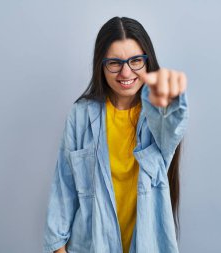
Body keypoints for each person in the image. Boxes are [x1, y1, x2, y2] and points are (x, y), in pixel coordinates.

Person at [43, 16, 189, 253]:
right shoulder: (80, 115)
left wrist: (171, 99)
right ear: (101, 65)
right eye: (115, 63)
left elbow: (173, 123)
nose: (126, 71)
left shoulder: (158, 116)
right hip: (88, 246)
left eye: (135, 61)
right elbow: (63, 187)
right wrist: (58, 249)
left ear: (147, 62)